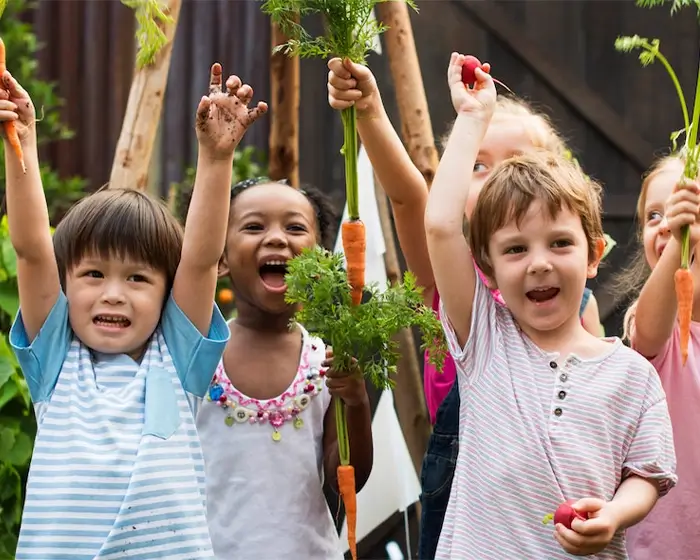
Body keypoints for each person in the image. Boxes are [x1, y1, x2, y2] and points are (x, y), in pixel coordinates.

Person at [326, 55, 604, 558]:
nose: (499, 178)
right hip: (466, 482)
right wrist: (369, 110)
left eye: (519, 161)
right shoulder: (451, 275)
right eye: (477, 164)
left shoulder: (573, 296)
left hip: (558, 481)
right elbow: (413, 200)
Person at [1, 63, 266, 559]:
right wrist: (23, 143)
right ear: (66, 284)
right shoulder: (56, 360)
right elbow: (34, 249)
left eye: (138, 278)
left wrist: (215, 158)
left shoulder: (178, 357)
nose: (113, 294)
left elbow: (201, 256)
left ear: (168, 292)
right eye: (93, 275)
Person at [423, 53, 677, 559]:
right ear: (488, 269)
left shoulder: (631, 374)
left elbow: (647, 473)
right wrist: (473, 120)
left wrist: (615, 514)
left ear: (594, 255)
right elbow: (440, 226)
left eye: (560, 243)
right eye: (516, 249)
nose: (538, 264)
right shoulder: (485, 340)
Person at [196, 178, 373, 559]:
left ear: (321, 260)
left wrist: (356, 404)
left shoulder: (324, 363)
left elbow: (347, 477)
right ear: (221, 257)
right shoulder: (199, 359)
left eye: (294, 227)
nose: (276, 239)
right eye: (254, 226)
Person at [619, 155, 700, 560]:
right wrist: (678, 246)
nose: (668, 224)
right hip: (667, 546)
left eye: (688, 210)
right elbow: (650, 330)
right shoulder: (655, 326)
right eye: (655, 215)